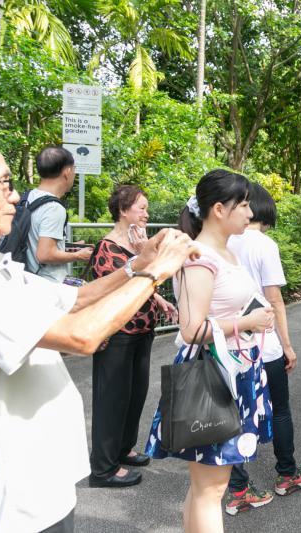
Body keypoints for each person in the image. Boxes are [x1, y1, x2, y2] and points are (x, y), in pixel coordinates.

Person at [0, 127, 197, 533]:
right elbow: (81, 336)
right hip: (14, 495)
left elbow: (76, 298)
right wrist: (156, 275)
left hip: (40, 478)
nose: (16, 197)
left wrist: (137, 265)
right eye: (3, 184)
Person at [145, 169, 275, 533]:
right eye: (245, 205)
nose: (250, 214)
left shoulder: (224, 252)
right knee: (211, 489)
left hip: (234, 372)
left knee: (205, 487)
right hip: (215, 376)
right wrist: (247, 324)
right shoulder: (199, 257)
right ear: (219, 208)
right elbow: (191, 329)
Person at [224, 183, 301, 515]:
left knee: (235, 414)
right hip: (265, 344)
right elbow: (274, 299)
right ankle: (286, 474)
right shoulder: (264, 244)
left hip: (231, 344)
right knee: (280, 408)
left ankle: (238, 487)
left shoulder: (222, 242)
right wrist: (288, 346)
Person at [87, 184, 178, 488]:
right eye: (141, 208)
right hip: (118, 335)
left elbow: (146, 284)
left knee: (134, 396)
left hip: (143, 332)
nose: (146, 214)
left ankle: (123, 449)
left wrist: (160, 300)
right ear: (123, 211)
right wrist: (142, 259)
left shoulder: (136, 247)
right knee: (111, 400)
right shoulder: (107, 247)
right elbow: (112, 290)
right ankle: (103, 468)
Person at [26, 146, 92, 281]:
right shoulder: (54, 208)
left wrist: (67, 247)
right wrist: (78, 256)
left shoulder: (29, 197)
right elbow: (44, 254)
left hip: (28, 277)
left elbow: (36, 241)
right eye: (74, 170)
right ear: (67, 172)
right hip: (48, 284)